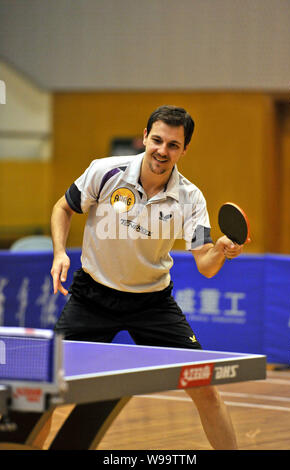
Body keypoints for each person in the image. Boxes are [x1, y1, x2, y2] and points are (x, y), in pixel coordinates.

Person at [51, 105, 243, 450]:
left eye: (173, 145)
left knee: (205, 388)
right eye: (157, 140)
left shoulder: (190, 198)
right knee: (48, 383)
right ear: (144, 137)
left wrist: (223, 249)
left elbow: (206, 265)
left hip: (152, 303)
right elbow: (64, 207)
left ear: (184, 150)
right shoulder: (105, 171)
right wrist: (60, 252)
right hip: (92, 296)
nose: (162, 150)